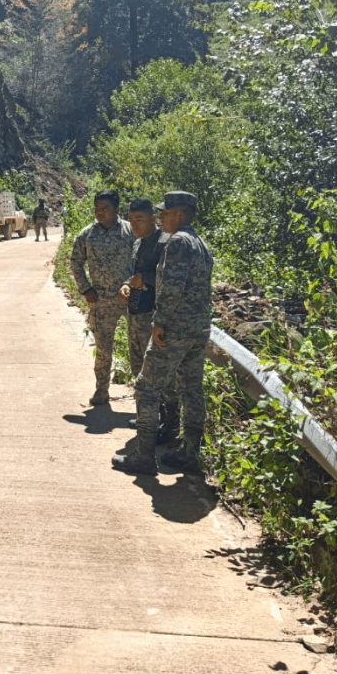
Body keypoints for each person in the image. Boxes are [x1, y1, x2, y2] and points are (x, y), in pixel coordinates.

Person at [113, 191, 215, 476]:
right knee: (191, 389)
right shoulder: (200, 243)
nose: (162, 219)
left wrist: (159, 322)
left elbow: (172, 287)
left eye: (166, 214)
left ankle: (144, 457)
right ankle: (190, 453)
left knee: (146, 387)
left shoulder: (178, 243)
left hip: (175, 328)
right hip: (198, 329)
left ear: (179, 215)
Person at [119, 199, 178, 441]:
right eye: (131, 220)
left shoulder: (165, 244)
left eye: (140, 220)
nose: (134, 225)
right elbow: (134, 274)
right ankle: (149, 416)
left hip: (154, 316)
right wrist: (126, 284)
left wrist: (147, 281)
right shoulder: (137, 243)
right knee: (138, 369)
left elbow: (169, 277)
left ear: (153, 219)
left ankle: (169, 424)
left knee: (159, 375)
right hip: (135, 314)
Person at [68, 190, 134, 406]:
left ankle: (144, 396)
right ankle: (101, 391)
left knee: (139, 349)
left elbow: (146, 258)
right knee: (103, 351)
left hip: (131, 300)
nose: (100, 212)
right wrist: (85, 288)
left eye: (105, 208)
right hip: (101, 302)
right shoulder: (87, 234)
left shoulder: (131, 231)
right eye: (97, 208)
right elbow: (75, 261)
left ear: (117, 209)